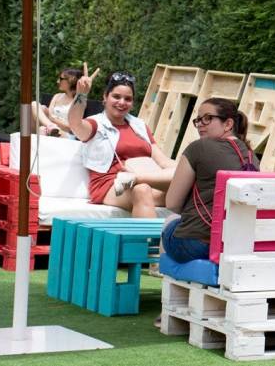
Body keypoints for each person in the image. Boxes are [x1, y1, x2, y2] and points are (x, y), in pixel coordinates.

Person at [68, 65, 176, 218]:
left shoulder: (139, 126)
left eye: (128, 99)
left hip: (143, 177)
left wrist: (189, 169)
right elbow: (75, 124)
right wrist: (81, 95)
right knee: (142, 190)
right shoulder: (96, 124)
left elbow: (163, 161)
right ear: (105, 97)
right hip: (111, 184)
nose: (122, 102)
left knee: (184, 186)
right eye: (116, 96)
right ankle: (148, 242)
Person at [162, 98, 259, 262]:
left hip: (196, 244)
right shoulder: (251, 156)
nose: (200, 124)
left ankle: (163, 274)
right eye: (198, 119)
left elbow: (172, 203)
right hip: (234, 246)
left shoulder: (199, 147)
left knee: (170, 222)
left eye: (207, 118)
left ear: (228, 124)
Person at [31, 68, 82, 137]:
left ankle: (51, 128)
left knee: (42, 129)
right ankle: (51, 127)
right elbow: (49, 116)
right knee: (34, 104)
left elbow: (72, 128)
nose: (58, 81)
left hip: (65, 133)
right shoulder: (57, 96)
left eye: (61, 79)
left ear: (71, 80)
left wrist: (54, 120)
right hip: (50, 128)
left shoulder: (79, 101)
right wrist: (52, 123)